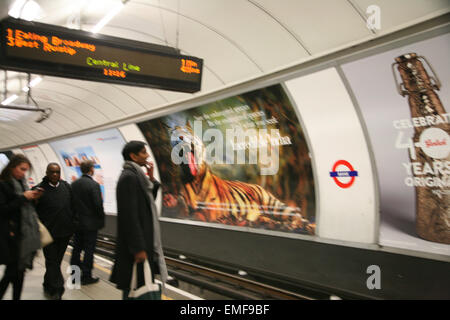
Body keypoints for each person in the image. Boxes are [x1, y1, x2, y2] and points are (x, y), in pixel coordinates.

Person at [110, 141, 168, 299]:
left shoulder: (137, 176)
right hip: (136, 245)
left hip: (142, 241)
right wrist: (138, 248)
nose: (147, 155)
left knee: (137, 284)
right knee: (134, 285)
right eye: (143, 152)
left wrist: (151, 179)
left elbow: (146, 203)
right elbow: (129, 216)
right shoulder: (129, 177)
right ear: (133, 156)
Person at [0, 154, 42, 300]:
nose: (24, 173)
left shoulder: (22, 183)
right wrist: (23, 198)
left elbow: (24, 209)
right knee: (12, 273)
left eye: (26, 170)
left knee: (18, 272)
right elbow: (3, 209)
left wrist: (32, 199)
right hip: (10, 235)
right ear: (12, 167)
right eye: (22, 169)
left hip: (23, 236)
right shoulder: (3, 184)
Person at [35, 163, 76, 300]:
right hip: (48, 234)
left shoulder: (66, 187)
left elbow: (73, 206)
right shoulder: (39, 190)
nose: (55, 175)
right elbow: (33, 211)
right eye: (52, 172)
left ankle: (48, 283)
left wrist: (73, 224)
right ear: (46, 173)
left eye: (57, 172)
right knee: (52, 261)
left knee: (56, 261)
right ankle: (58, 289)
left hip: (64, 232)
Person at [70, 160, 105, 285]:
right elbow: (97, 204)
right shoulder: (93, 185)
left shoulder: (73, 184)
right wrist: (101, 219)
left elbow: (70, 204)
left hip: (77, 223)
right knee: (89, 250)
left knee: (76, 249)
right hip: (90, 224)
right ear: (91, 169)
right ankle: (86, 276)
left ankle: (74, 276)